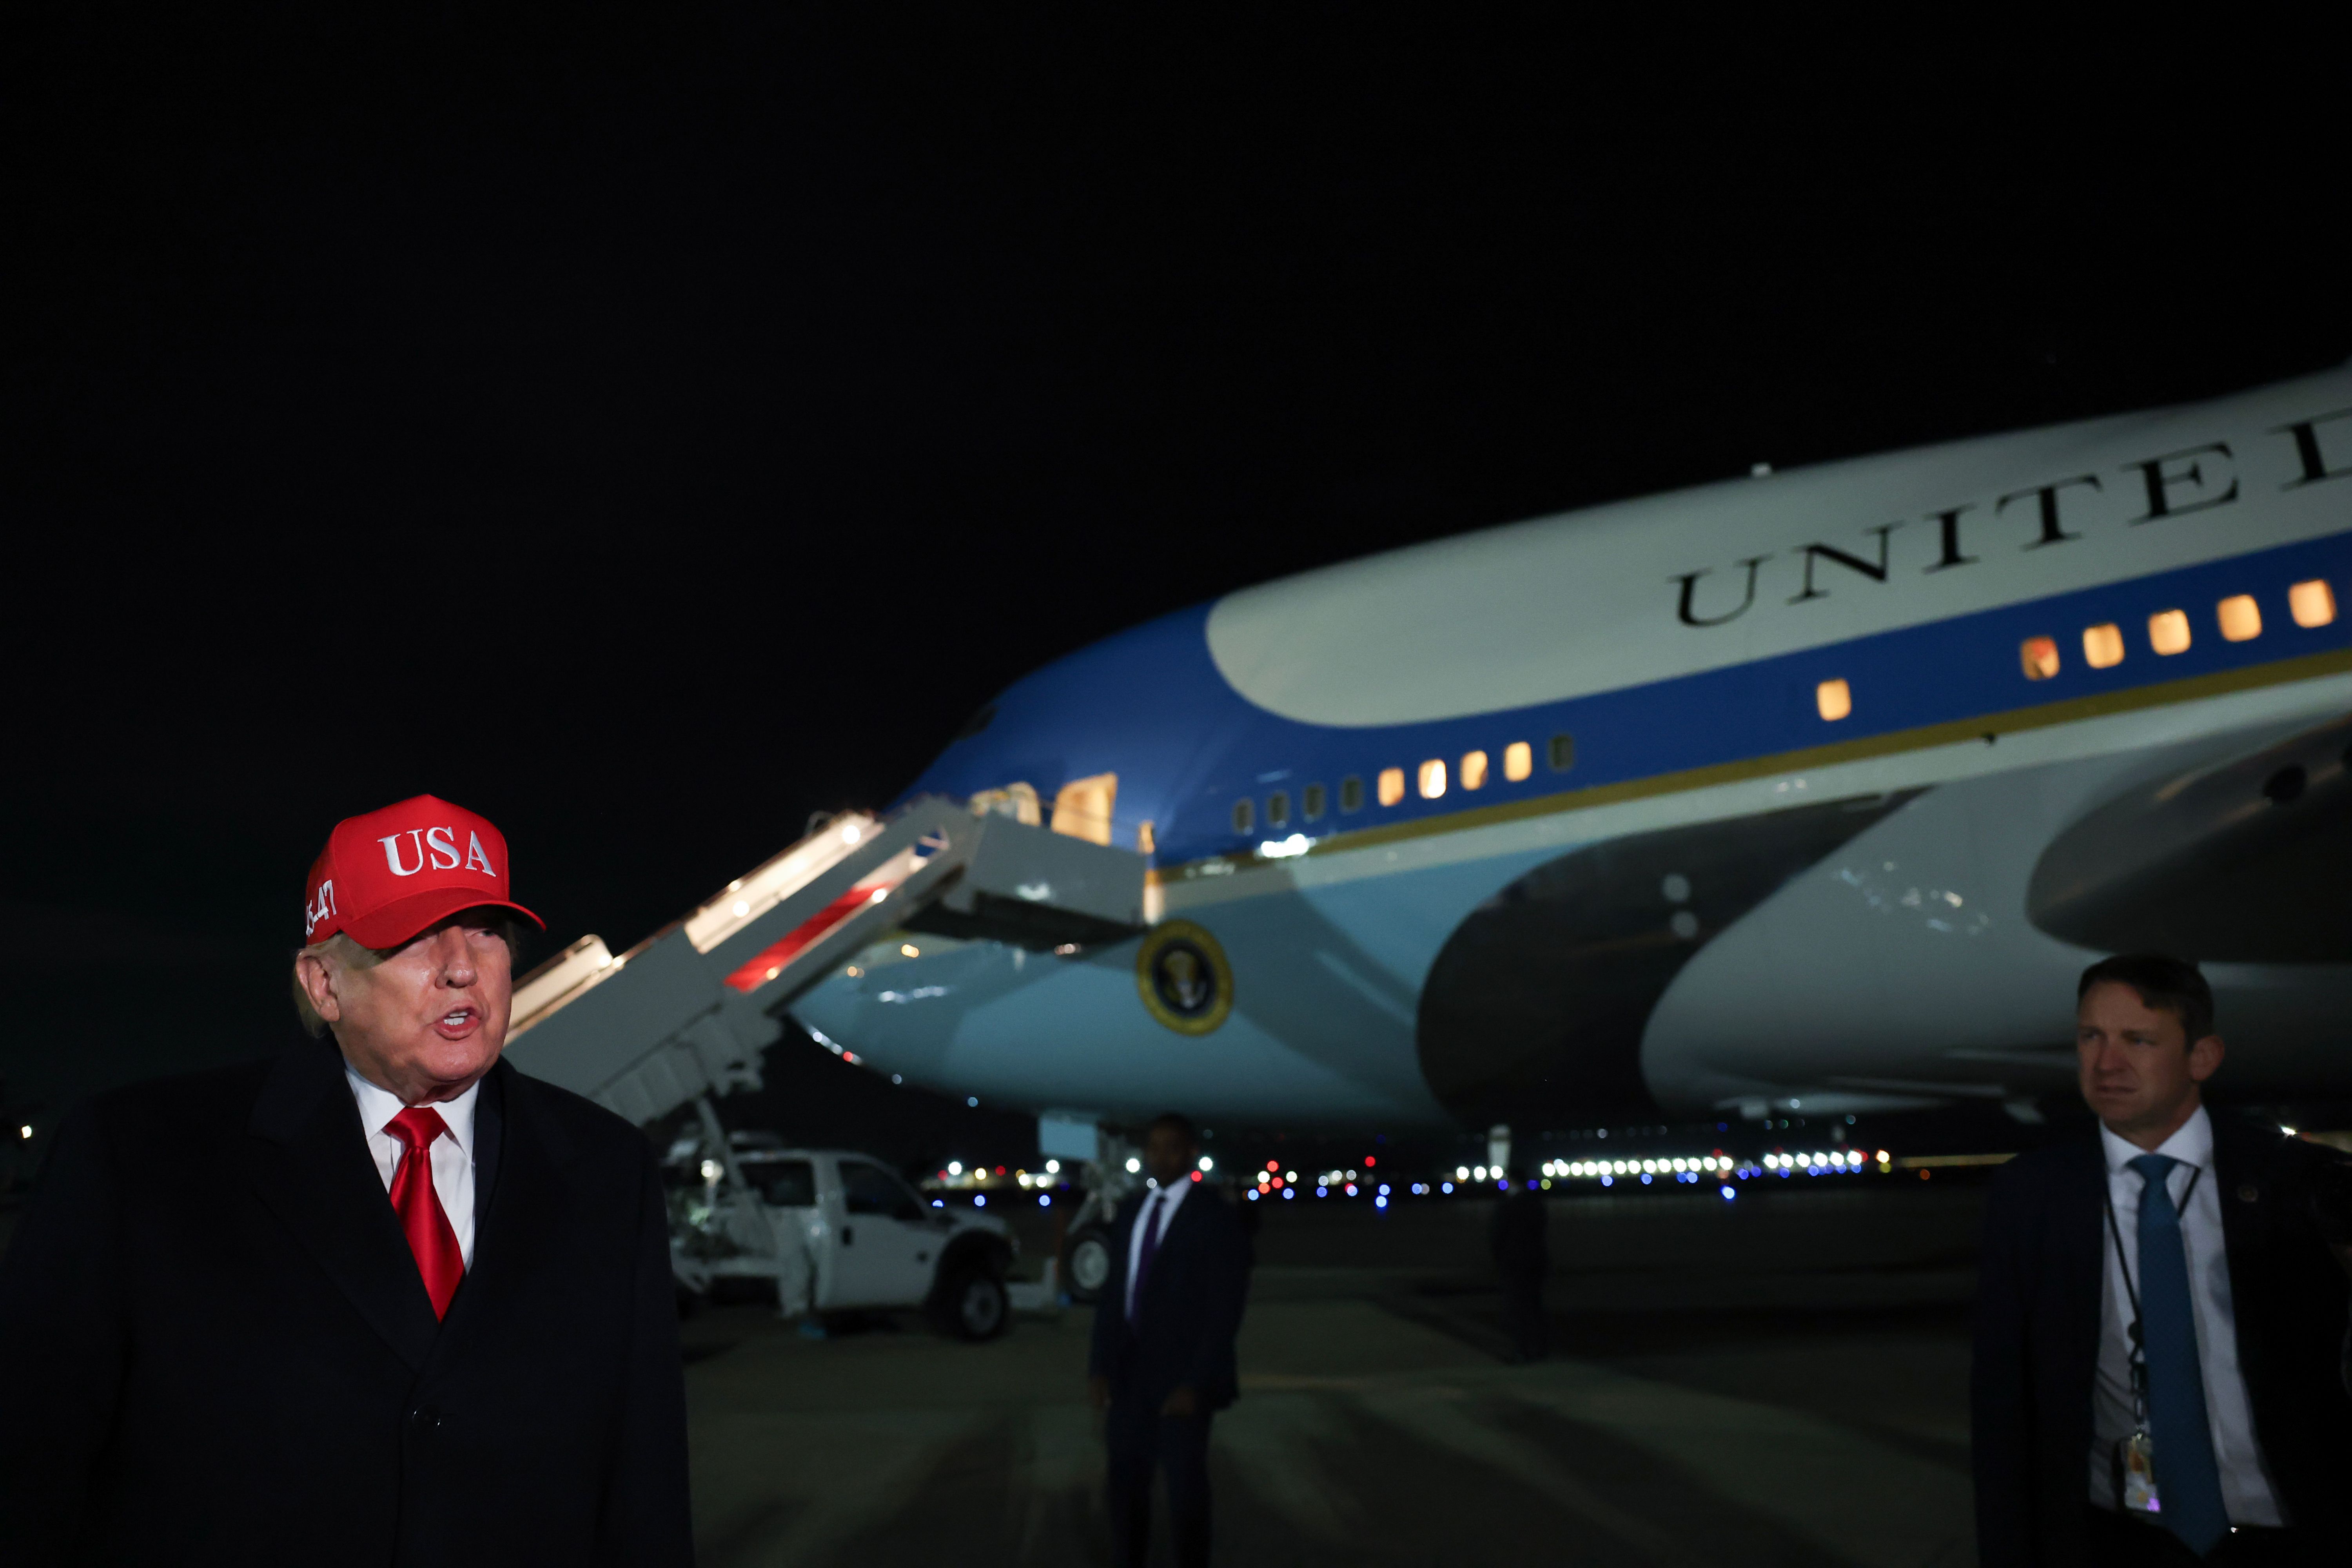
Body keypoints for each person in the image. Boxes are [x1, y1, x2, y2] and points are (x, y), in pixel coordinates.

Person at [0, 794, 694, 1566]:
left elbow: (645, 1480)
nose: (462, 967)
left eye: (487, 932)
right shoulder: (140, 1157)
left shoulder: (607, 1168)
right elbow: (31, 1463)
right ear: (324, 983)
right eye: (417, 936)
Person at [1971, 953, 2352, 1567]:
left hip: (2292, 1534)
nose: (2106, 1063)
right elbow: (2003, 1406)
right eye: (2091, 1037)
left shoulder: (2293, 1181)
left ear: (2203, 1057)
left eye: (2138, 1040)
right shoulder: (2033, 1195)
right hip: (2117, 1540)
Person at [1088, 1112, 1250, 1568]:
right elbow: (1113, 1296)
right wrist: (1099, 1366)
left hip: (1182, 1383)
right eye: (1154, 1147)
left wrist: (1196, 1383)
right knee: (1124, 1487)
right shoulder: (1132, 1211)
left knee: (1185, 1495)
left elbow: (1225, 1311)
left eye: (1172, 1148)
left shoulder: (1215, 1217)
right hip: (1129, 1378)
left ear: (1191, 1153)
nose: (1160, 1157)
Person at [1490, 1163, 1550, 1362]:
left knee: (1517, 1308)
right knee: (1535, 1306)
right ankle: (1540, 1349)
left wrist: (1498, 1258)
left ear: (1511, 1181)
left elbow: (1498, 1235)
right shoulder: (1536, 1203)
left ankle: (1522, 1350)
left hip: (1514, 1262)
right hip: (1535, 1260)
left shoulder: (1507, 1205)